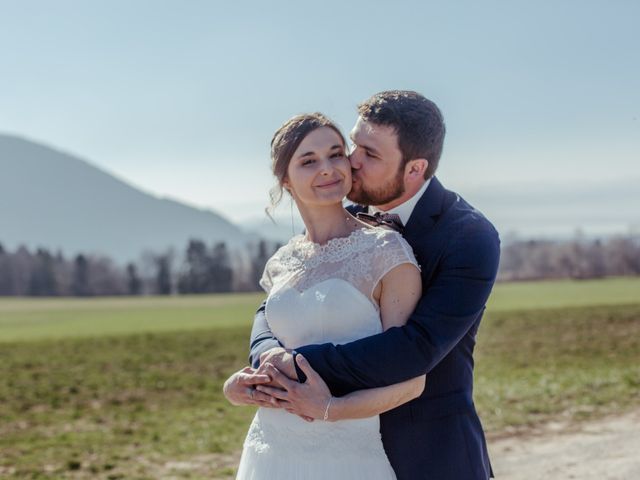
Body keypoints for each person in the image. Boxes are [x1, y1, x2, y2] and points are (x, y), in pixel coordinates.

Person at [226, 90, 501, 479]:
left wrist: (297, 367)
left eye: (369, 155)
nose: (351, 161)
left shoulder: (468, 237)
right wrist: (265, 361)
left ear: (414, 169)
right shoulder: (346, 215)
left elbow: (417, 348)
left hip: (427, 449)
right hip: (298, 445)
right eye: (355, 145)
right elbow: (274, 305)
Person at [226, 112, 426, 479]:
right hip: (270, 451)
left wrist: (330, 408)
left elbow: (412, 381)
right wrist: (240, 386)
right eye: (309, 161)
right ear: (285, 179)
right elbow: (271, 355)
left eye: (336, 154)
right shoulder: (280, 263)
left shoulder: (385, 252)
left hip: (347, 458)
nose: (328, 168)